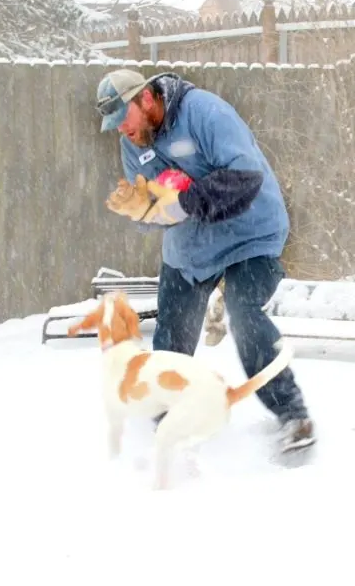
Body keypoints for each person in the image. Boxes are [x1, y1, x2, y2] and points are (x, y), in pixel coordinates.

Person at [94, 68, 315, 454]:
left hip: (251, 234)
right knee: (170, 340)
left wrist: (181, 202)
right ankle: (165, 419)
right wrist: (144, 212)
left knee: (244, 313)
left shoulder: (205, 112)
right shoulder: (133, 142)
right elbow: (154, 212)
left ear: (146, 99)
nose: (120, 130)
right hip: (191, 249)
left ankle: (293, 415)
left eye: (122, 118)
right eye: (113, 124)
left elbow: (245, 176)